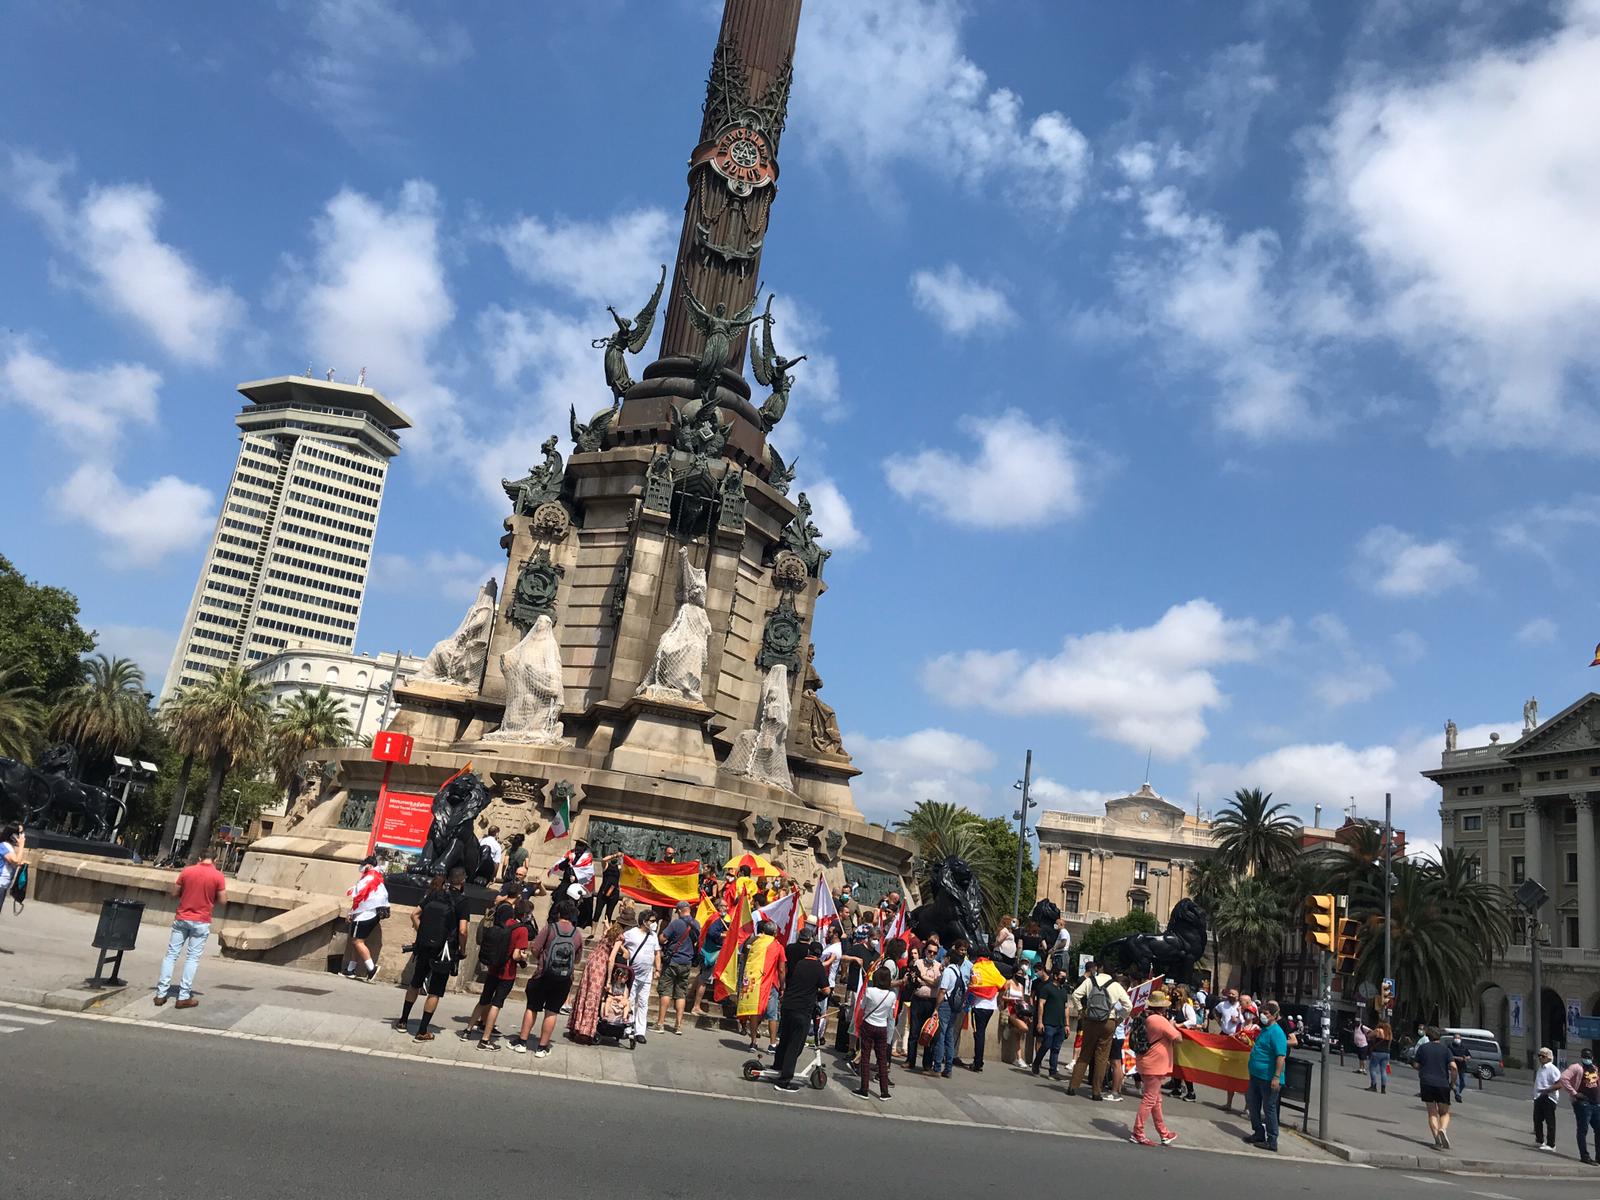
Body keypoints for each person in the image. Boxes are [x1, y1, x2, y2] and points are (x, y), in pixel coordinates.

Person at [395, 871, 468, 1040]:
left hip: (425, 945)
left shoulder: (435, 894)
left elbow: (414, 914)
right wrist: (462, 950)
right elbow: (463, 930)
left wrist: (424, 933)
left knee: (415, 983)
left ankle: (403, 1021)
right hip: (444, 950)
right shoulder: (462, 901)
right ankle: (422, 1030)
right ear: (462, 881)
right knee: (435, 991)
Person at [154, 854, 227, 1009]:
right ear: (215, 860)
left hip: (182, 918)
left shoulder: (187, 871)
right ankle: (183, 996)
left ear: (200, 858)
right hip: (201, 920)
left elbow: (174, 893)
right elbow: (223, 900)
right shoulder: (218, 876)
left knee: (171, 955)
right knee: (192, 958)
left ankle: (161, 994)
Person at [514, 899, 583, 1056]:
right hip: (564, 978)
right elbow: (577, 959)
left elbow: (535, 948)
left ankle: (522, 1043)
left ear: (558, 913)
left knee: (532, 1007)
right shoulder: (577, 934)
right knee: (552, 1011)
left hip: (543, 974)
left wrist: (542, 959)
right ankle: (542, 1047)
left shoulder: (550, 928)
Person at [465, 904, 528, 1049]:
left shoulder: (500, 924)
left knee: (483, 1000)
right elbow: (516, 955)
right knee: (496, 1004)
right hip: (507, 972)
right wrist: (524, 957)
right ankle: (485, 1039)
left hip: (493, 968)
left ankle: (467, 1030)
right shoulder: (521, 929)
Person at [1067, 960, 1131, 1101]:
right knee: (1102, 1057)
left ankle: (1073, 1086)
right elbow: (1129, 1006)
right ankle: (1096, 1092)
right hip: (1108, 1021)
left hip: (1090, 1020)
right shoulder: (1116, 985)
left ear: (1100, 969)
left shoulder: (1090, 981)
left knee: (1085, 1054)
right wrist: (1119, 1019)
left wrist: (1081, 1011)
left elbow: (1076, 995)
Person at [773, 937, 827, 1094]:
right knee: (794, 1046)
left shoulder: (800, 964)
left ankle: (777, 1066)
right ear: (819, 954)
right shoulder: (818, 967)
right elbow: (826, 990)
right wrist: (817, 995)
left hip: (788, 1006)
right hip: (802, 1010)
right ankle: (784, 1081)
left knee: (785, 1040)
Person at [1130, 989, 1184, 1146]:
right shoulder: (1159, 1020)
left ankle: (1163, 1132)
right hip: (1154, 1064)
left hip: (1146, 1061)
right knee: (1149, 1099)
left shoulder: (1144, 1016)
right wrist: (1172, 1025)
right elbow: (1178, 1038)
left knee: (1156, 1100)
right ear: (1162, 1007)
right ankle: (1138, 1132)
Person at [1244, 1000, 1289, 1152]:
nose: (1263, 1016)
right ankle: (1258, 1133)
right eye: (1262, 1013)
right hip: (1256, 1076)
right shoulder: (1264, 1030)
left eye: (1266, 1014)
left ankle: (1272, 1140)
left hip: (1268, 1078)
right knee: (1252, 1103)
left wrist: (1276, 1077)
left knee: (1269, 1108)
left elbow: (1280, 1057)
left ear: (1275, 1016)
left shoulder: (1277, 1033)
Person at [652, 899, 701, 1034]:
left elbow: (662, 938)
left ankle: (660, 1023)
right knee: (681, 994)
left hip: (673, 961)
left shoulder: (676, 923)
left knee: (666, 991)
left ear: (679, 911)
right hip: (687, 962)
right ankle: (678, 1025)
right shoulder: (696, 924)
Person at [853, 964, 898, 1101]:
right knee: (882, 1059)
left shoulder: (870, 991)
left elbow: (863, 1007)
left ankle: (864, 1089)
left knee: (865, 1057)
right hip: (882, 1026)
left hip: (868, 1024)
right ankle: (884, 1091)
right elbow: (891, 1012)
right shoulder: (891, 995)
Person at [341, 855, 388, 982]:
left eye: (364, 864)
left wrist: (351, 912)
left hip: (364, 914)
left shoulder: (369, 878)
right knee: (358, 942)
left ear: (370, 866)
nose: (361, 867)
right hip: (373, 914)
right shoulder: (377, 877)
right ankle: (351, 969)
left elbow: (359, 896)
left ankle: (371, 969)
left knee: (357, 942)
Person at [929, 938, 970, 1078]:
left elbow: (942, 991)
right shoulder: (958, 971)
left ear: (949, 958)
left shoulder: (948, 972)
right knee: (949, 1037)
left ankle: (937, 1067)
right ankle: (948, 1068)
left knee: (940, 1035)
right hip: (955, 1007)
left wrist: (936, 1007)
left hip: (946, 1005)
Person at [1414, 1024, 1458, 1150]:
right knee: (1444, 1112)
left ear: (1428, 1036)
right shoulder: (1446, 1050)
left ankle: (1436, 1140)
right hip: (1442, 1083)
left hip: (1426, 1082)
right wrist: (1453, 1083)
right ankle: (1442, 1129)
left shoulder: (1423, 1048)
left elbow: (1416, 1064)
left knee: (1432, 1112)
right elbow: (1454, 1068)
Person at [621, 908, 661, 1043]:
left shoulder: (653, 936)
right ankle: (628, 1027)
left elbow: (657, 953)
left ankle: (640, 1031)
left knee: (643, 1003)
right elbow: (619, 943)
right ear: (644, 921)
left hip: (647, 975)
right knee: (630, 1001)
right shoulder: (631, 933)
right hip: (632, 973)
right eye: (652, 921)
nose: (655, 923)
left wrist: (657, 969)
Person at [687, 895, 728, 1017]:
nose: (726, 908)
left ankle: (689, 996)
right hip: (710, 953)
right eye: (724, 906)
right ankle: (696, 1006)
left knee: (701, 976)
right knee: (704, 980)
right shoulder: (716, 919)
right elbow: (712, 933)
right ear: (719, 907)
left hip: (706, 952)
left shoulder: (716, 918)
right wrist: (724, 935)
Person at [1031, 963, 1072, 1079]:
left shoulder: (1063, 991)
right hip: (1048, 1023)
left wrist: (1067, 1024)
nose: (1064, 978)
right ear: (1055, 976)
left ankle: (1052, 1072)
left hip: (1060, 1024)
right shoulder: (1047, 988)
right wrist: (1040, 1021)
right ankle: (1036, 1063)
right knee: (1046, 1044)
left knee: (1056, 1049)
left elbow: (1066, 1008)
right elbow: (1041, 1004)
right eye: (1062, 976)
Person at [906, 937, 942, 1071]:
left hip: (931, 1002)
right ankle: (910, 1060)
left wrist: (923, 978)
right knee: (914, 1032)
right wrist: (927, 980)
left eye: (934, 952)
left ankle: (927, 1064)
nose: (931, 954)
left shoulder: (939, 967)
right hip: (918, 1000)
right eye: (929, 951)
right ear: (925, 951)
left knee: (929, 1033)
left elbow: (937, 983)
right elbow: (915, 979)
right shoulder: (918, 963)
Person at [1560, 1046, 1600, 1163]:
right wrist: (1575, 1093)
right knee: (1583, 1129)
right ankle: (1585, 1156)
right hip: (1583, 1104)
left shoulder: (1594, 1068)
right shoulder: (1576, 1068)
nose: (1587, 1059)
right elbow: (1564, 1078)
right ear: (1581, 1057)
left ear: (1592, 1057)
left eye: (1589, 1057)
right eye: (1585, 1056)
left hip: (1595, 1104)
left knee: (1598, 1130)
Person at [1002, 961, 1034, 1069]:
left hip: (1020, 1011)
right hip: (1011, 1011)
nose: (1021, 976)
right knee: (1024, 1029)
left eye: (1022, 974)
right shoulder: (1009, 982)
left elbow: (1022, 999)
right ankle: (1010, 1027)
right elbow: (1002, 997)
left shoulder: (1021, 986)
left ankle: (1018, 1058)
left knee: (1018, 1037)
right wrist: (1013, 999)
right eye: (1019, 973)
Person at [1534, 1046, 1561, 1152]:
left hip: (1549, 1097)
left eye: (1543, 1056)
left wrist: (1547, 1090)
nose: (1540, 1058)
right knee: (1537, 1119)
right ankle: (1539, 1140)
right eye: (1539, 1056)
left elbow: (1559, 1084)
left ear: (1549, 1058)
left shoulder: (1552, 1069)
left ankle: (1551, 1144)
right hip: (1539, 1097)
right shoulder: (1541, 1068)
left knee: (1550, 1122)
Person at [0, 824, 23, 933]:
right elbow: (16, 860)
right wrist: (22, 845)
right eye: (19, 834)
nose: (21, 836)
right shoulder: (4, 845)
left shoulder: (9, 847)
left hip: (3, 885)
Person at [594, 852, 623, 926]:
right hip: (603, 892)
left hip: (614, 893)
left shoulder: (619, 868)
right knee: (597, 913)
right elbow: (603, 860)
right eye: (613, 857)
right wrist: (615, 855)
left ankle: (605, 933)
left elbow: (623, 865)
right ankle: (592, 933)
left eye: (616, 858)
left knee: (608, 914)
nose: (615, 858)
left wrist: (621, 857)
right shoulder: (606, 866)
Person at [1367, 1019, 1392, 1093]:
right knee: (1383, 1071)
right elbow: (1389, 1045)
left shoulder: (1378, 1030)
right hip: (1386, 1053)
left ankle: (1373, 1086)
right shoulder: (1389, 1033)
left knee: (1373, 1068)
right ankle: (1383, 1088)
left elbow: (1369, 1035)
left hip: (1377, 1052)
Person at [1449, 1031, 1473, 1102]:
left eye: (1458, 1038)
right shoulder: (1450, 1046)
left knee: (1463, 1083)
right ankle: (1458, 1095)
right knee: (1457, 1083)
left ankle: (1452, 1087)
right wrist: (1457, 1058)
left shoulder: (1463, 1047)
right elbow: (1449, 1055)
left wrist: (1466, 1058)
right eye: (1456, 1038)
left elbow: (1469, 1055)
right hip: (1454, 1067)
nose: (1457, 1039)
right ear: (1453, 1038)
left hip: (1463, 1067)